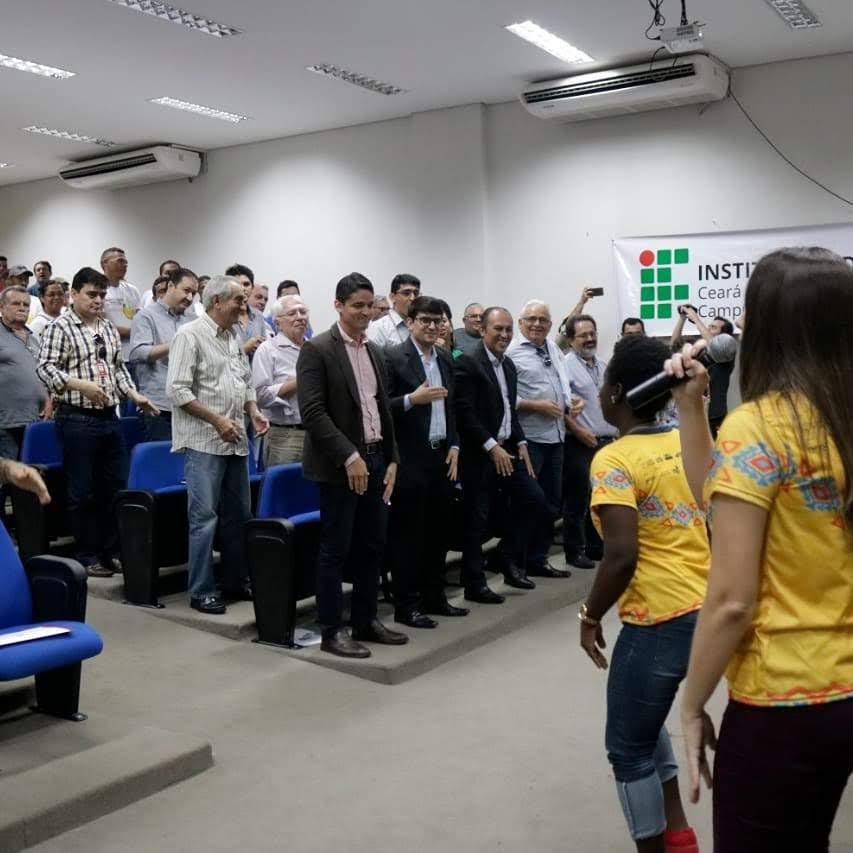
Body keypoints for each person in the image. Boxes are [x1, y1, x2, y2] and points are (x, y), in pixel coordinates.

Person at [670, 247, 853, 853]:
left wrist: (692, 703)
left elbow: (730, 600)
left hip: (786, 697)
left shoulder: (762, 425)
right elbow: (715, 496)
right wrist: (692, 407)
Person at [578, 335, 707, 853]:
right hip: (703, 608)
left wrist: (590, 615)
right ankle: (679, 837)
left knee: (627, 751)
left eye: (604, 385)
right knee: (646, 728)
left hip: (657, 620)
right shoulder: (686, 440)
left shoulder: (613, 459)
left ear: (614, 393)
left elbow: (621, 554)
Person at [297, 272, 406, 658]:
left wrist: (392, 458)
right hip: (340, 465)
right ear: (338, 305)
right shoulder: (317, 349)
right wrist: (350, 455)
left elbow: (381, 408)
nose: (364, 312)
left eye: (368, 305)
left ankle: (365, 620)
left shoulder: (373, 350)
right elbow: (312, 412)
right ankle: (332, 630)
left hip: (376, 459)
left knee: (373, 545)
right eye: (356, 305)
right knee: (336, 549)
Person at [37, 267, 158, 578]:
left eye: (102, 295)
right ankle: (87, 554)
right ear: (73, 294)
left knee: (114, 487)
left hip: (109, 417)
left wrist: (134, 394)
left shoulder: (106, 327)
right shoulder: (61, 327)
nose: (98, 300)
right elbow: (45, 368)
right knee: (83, 492)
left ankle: (110, 551)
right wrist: (80, 385)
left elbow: (117, 369)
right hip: (77, 418)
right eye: (91, 294)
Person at [166, 275, 269, 615]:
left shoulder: (232, 336)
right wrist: (217, 420)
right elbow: (177, 390)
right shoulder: (189, 335)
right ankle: (201, 590)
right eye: (238, 300)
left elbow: (244, 381)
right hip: (204, 443)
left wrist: (253, 411)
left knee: (240, 516)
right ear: (217, 302)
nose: (244, 306)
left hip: (236, 440)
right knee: (204, 519)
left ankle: (236, 581)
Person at [454, 307, 551, 602]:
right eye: (498, 329)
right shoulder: (468, 362)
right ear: (483, 330)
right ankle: (475, 584)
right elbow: (464, 413)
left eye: (508, 329)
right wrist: (490, 445)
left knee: (535, 500)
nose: (505, 335)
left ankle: (505, 557)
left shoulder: (507, 365)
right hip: (479, 453)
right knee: (477, 519)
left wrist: (520, 441)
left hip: (507, 449)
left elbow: (508, 409)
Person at [385, 296, 469, 628]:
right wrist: (412, 399)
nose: (433, 327)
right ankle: (407, 606)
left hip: (442, 456)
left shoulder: (445, 357)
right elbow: (381, 409)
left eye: (438, 321)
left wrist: (455, 444)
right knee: (408, 537)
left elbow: (452, 407)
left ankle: (435, 597)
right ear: (410, 323)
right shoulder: (393, 357)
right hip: (409, 458)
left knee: (439, 533)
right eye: (425, 321)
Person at [506, 299, 574, 579]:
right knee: (527, 503)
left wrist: (570, 401)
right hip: (529, 439)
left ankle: (538, 559)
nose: (537, 324)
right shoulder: (511, 352)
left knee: (551, 503)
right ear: (520, 323)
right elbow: (505, 397)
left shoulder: (553, 348)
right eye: (531, 319)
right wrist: (535, 405)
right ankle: (514, 564)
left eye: (543, 320)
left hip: (556, 437)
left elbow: (560, 384)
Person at [562, 313, 617, 568]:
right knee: (577, 499)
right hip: (579, 442)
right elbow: (561, 407)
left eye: (592, 333)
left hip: (605, 442)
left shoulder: (603, 366)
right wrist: (577, 430)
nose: (589, 339)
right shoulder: (565, 366)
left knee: (601, 498)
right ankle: (574, 551)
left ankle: (596, 547)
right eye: (583, 335)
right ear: (570, 340)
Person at [128, 268, 198, 440]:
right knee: (161, 455)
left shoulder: (193, 320)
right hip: (158, 405)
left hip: (189, 404)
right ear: (171, 286)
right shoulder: (146, 316)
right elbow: (137, 353)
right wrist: (176, 343)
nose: (190, 298)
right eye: (186, 290)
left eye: (194, 293)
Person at [252, 295, 309, 466]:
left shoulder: (314, 348)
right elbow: (261, 396)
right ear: (278, 322)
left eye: (303, 312)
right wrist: (300, 381)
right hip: (285, 436)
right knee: (284, 482)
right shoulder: (267, 350)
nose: (299, 317)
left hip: (316, 433)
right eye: (292, 313)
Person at [0, 287, 49, 459]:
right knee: (10, 473)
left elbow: (40, 375)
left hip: (35, 421)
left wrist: (47, 398)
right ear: (2, 307)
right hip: (5, 425)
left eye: (26, 305)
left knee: (32, 471)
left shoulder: (33, 338)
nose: (22, 308)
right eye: (16, 303)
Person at [671, 307, 735, 436]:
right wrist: (682, 318)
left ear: (724, 336)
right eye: (709, 326)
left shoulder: (726, 353)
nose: (708, 328)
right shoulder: (699, 350)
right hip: (692, 412)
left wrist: (695, 318)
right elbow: (675, 344)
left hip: (714, 416)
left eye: (713, 327)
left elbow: (716, 346)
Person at [100, 247, 141, 359]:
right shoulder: (97, 290)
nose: (125, 265)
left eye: (126, 262)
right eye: (120, 261)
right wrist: (135, 332)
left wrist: (137, 331)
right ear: (104, 263)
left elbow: (140, 321)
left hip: (134, 354)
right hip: (111, 355)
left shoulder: (132, 290)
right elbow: (101, 326)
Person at [225, 263, 269, 360]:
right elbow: (218, 358)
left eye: (246, 284)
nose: (243, 288)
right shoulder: (223, 316)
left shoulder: (258, 315)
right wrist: (245, 349)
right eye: (237, 284)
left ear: (252, 288)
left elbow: (265, 349)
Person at [367, 273, 420, 348]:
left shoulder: (421, 326)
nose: (412, 298)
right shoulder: (379, 327)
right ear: (392, 297)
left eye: (416, 294)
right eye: (406, 293)